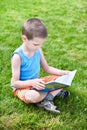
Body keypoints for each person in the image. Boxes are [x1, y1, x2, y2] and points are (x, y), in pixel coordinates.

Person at [11, 18, 70, 114]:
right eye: (36, 44)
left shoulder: (38, 50)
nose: (39, 47)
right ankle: (50, 95)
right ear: (24, 39)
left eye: (41, 44)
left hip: (37, 83)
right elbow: (15, 83)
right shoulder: (17, 57)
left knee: (63, 78)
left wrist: (62, 72)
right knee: (33, 97)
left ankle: (47, 98)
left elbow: (47, 68)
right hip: (23, 87)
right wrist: (32, 82)